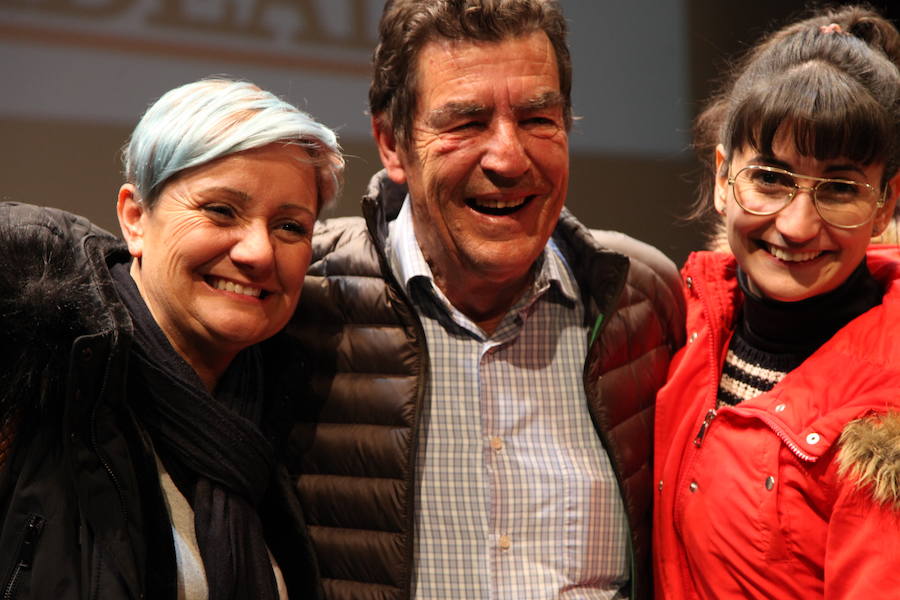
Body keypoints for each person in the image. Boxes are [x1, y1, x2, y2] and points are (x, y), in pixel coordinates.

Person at [286, 1, 686, 598]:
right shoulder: (300, 298)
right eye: (466, 123)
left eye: (538, 119)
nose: (508, 158)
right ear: (392, 143)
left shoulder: (640, 296)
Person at [0, 77, 343, 599]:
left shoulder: (279, 413)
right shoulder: (32, 374)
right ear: (135, 219)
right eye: (221, 210)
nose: (259, 253)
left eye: (290, 227)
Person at [654, 6, 900, 599]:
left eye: (840, 188)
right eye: (770, 177)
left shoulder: (890, 413)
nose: (795, 225)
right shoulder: (682, 321)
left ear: (887, 205)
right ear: (721, 177)